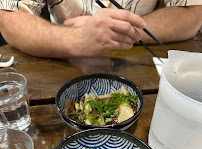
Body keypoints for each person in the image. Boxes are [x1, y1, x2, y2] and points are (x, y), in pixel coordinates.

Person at [0, 0, 201, 59]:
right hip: (61, 60)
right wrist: (74, 39)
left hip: (142, 63)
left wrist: (122, 30)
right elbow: (9, 17)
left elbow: (192, 13)